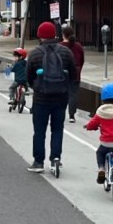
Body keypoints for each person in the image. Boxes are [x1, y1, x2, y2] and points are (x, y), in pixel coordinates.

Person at [26, 20, 78, 172]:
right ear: (54, 35)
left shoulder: (35, 53)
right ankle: (55, 159)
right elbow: (73, 75)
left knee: (39, 131)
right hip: (60, 97)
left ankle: (38, 162)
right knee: (57, 129)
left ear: (40, 36)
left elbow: (29, 77)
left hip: (41, 98)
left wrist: (35, 86)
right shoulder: (65, 52)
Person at [60, 24, 86, 123]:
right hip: (75, 73)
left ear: (63, 35)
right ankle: (72, 115)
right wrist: (78, 70)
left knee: (61, 94)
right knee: (73, 94)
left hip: (62, 74)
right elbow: (82, 60)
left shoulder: (59, 46)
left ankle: (60, 112)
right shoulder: (78, 46)